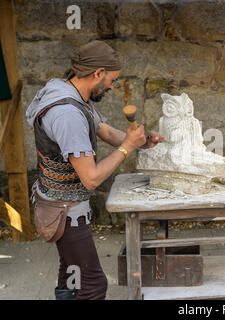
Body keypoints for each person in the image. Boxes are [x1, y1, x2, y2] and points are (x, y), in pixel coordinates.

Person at [25, 40, 164, 300]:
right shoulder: (68, 114)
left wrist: (141, 142)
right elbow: (90, 178)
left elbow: (105, 130)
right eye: (112, 79)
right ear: (98, 73)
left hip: (59, 205)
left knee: (71, 275)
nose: (112, 86)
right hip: (65, 213)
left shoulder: (70, 91)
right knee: (92, 285)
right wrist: (126, 148)